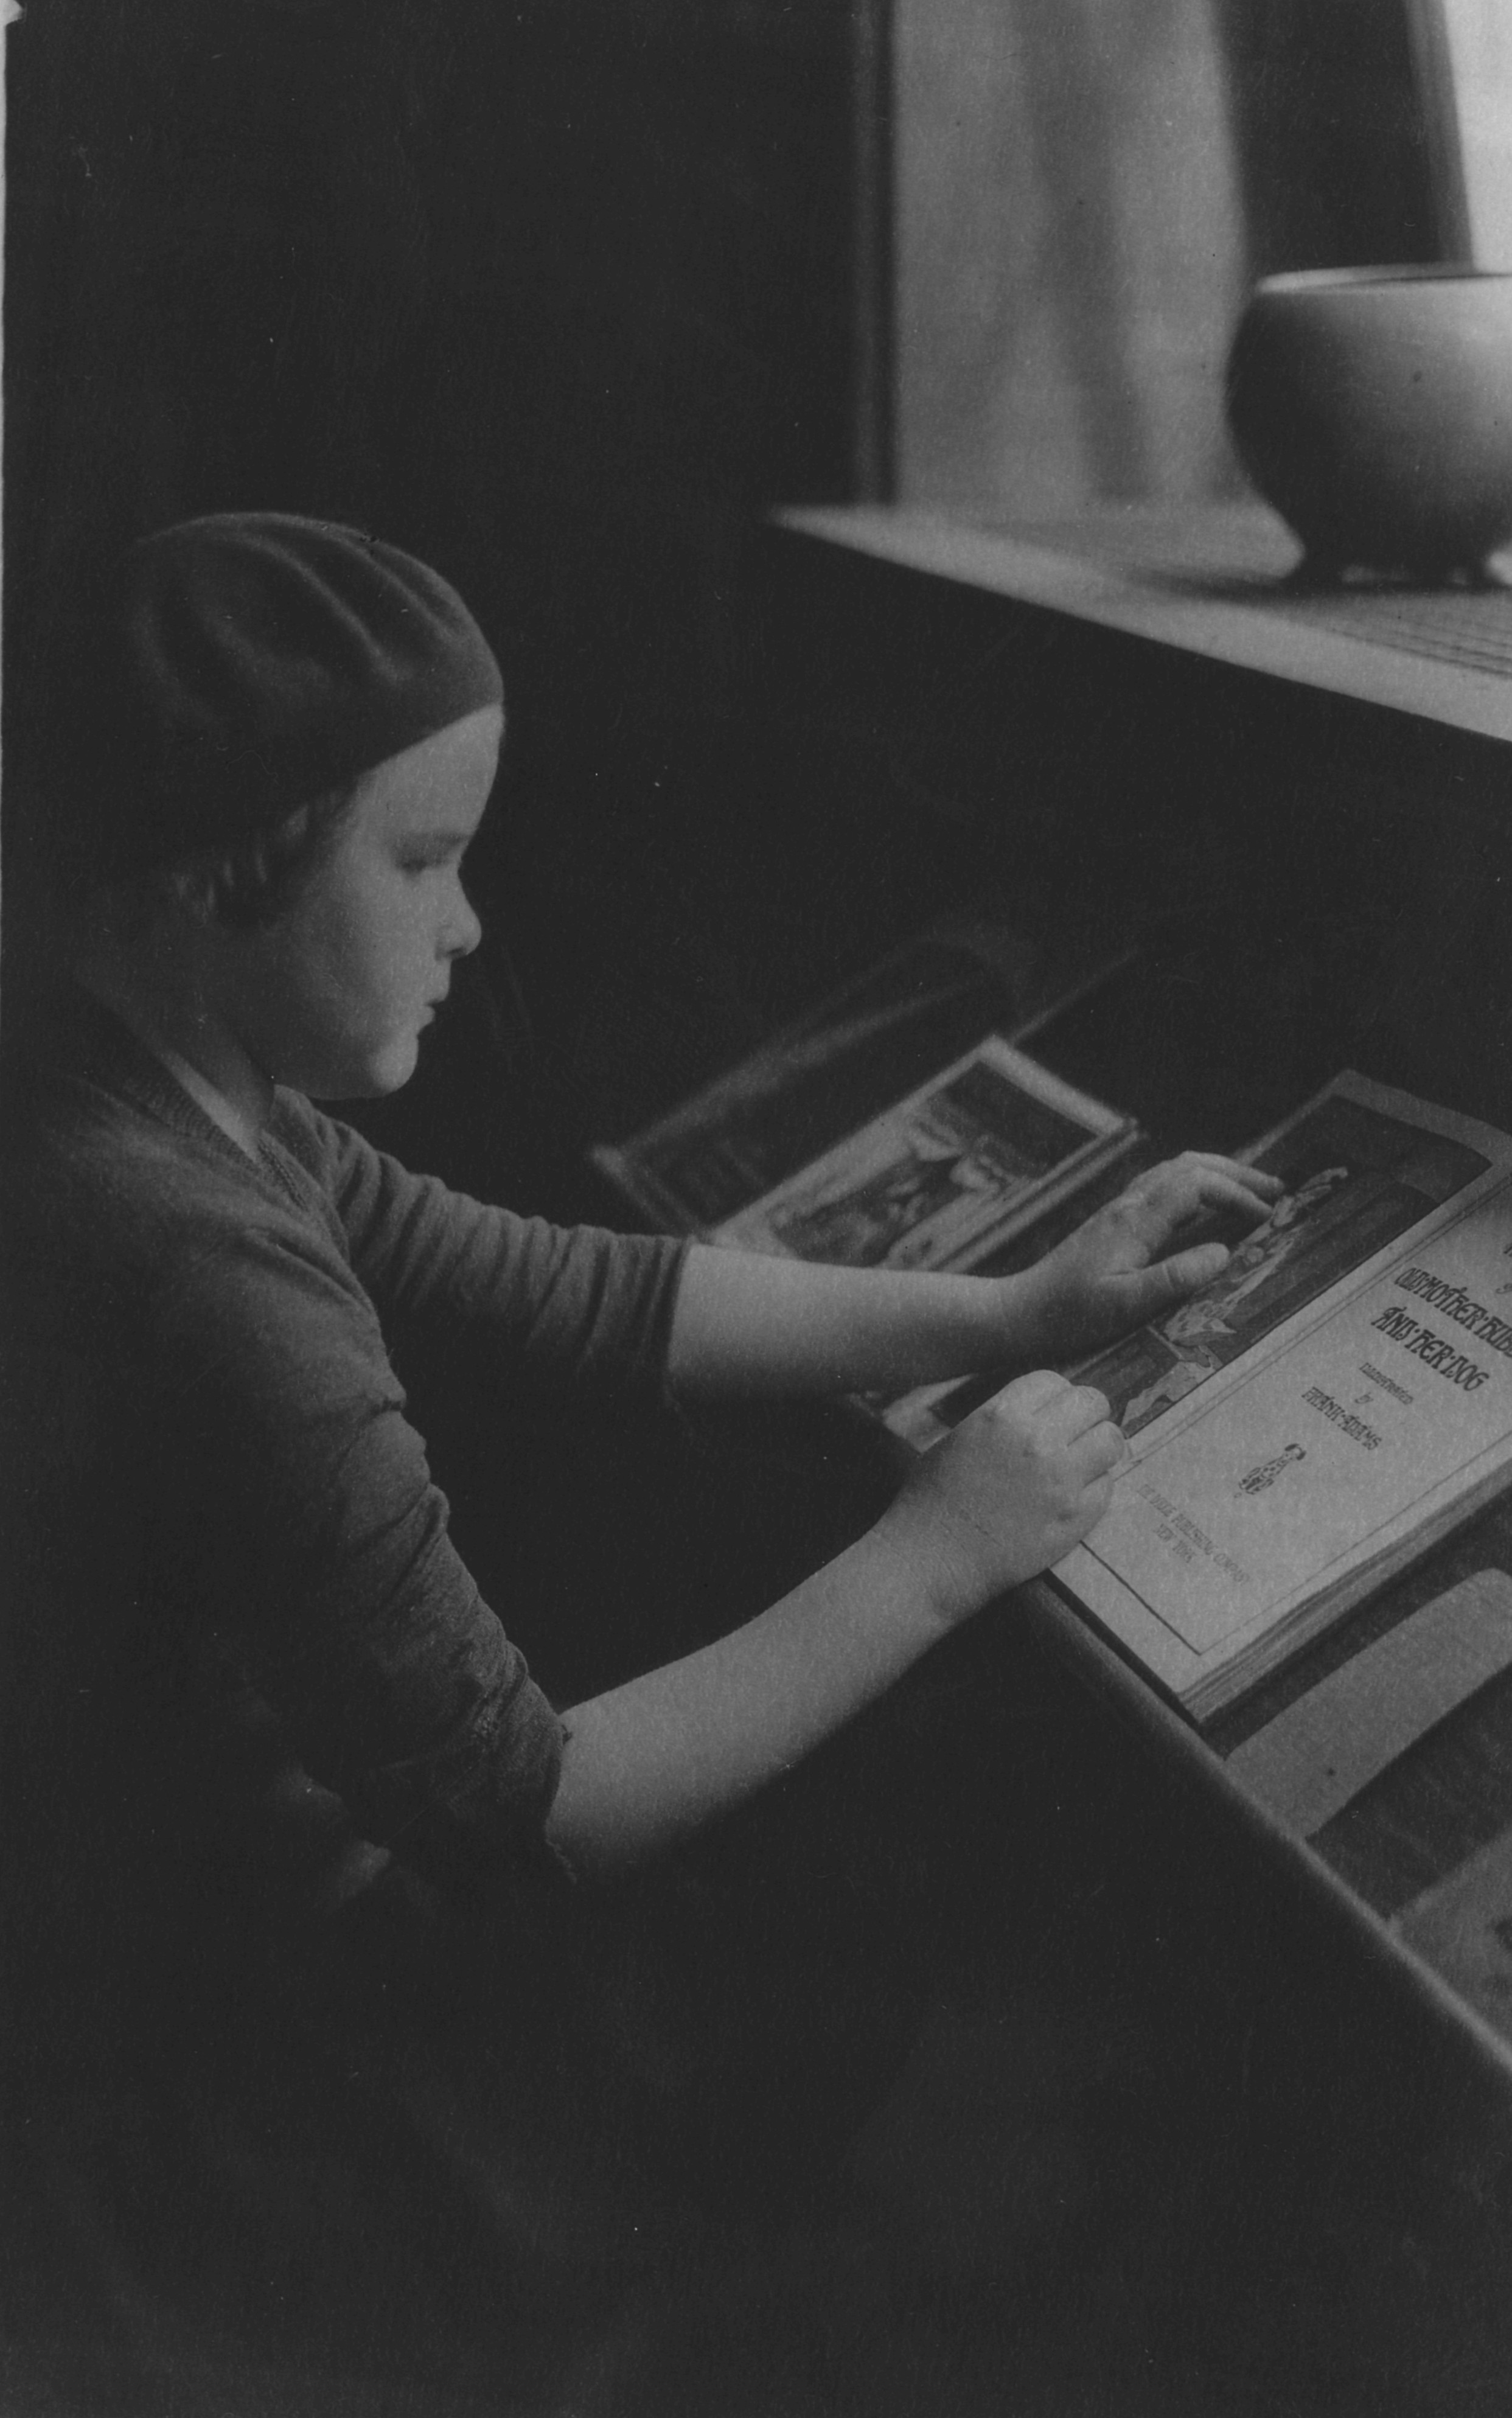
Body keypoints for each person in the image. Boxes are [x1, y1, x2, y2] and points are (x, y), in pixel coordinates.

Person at [0, 514, 1280, 2408]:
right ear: (213, 873)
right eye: (421, 861)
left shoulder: (173, 1099)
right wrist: (942, 1551)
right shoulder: (193, 1261)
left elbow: (585, 1293)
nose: (468, 924)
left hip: (189, 1938)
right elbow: (522, 1811)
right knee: (972, 2041)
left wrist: (1018, 1307)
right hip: (256, 2047)